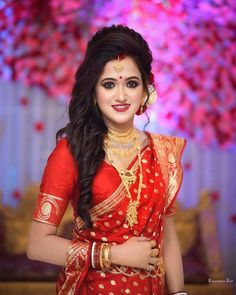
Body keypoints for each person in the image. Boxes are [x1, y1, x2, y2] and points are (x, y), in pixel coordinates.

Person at [27, 24, 187, 295]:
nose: (122, 96)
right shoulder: (71, 152)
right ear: (93, 91)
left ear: (146, 89)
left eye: (132, 84)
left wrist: (179, 293)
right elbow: (37, 246)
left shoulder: (162, 152)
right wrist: (112, 254)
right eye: (109, 84)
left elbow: (168, 239)